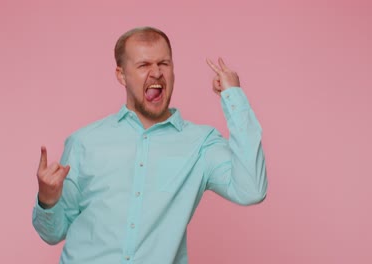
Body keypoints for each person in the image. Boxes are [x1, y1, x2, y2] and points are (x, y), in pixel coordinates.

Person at [32, 26, 268, 264]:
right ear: (121, 75)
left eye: (164, 63)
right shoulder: (84, 142)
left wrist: (234, 96)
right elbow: (53, 234)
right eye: (144, 65)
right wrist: (47, 199)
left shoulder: (201, 144)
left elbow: (251, 190)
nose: (156, 73)